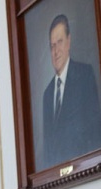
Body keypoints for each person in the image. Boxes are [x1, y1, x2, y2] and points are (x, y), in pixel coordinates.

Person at [41, 14, 101, 170]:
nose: (56, 51)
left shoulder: (85, 75)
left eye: (60, 42)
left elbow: (95, 131)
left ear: (69, 42)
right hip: (57, 179)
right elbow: (48, 150)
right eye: (52, 46)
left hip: (87, 171)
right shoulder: (47, 94)